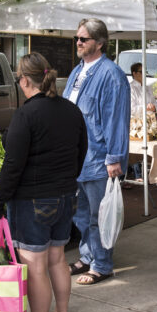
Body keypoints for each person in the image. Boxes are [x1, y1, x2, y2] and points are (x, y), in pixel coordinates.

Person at [0, 53, 88, 312]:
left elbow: (13, 166)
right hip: (66, 196)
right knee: (58, 259)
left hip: (32, 201)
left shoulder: (26, 114)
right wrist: (66, 183)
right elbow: (81, 152)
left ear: (24, 80)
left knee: (35, 266)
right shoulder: (71, 110)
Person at [65, 18, 130, 285]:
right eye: (77, 38)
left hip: (98, 159)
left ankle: (102, 265)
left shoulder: (111, 74)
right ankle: (87, 256)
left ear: (99, 43)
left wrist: (114, 158)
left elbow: (116, 120)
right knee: (80, 214)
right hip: (76, 158)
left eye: (84, 39)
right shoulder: (77, 71)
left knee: (98, 215)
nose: (78, 43)